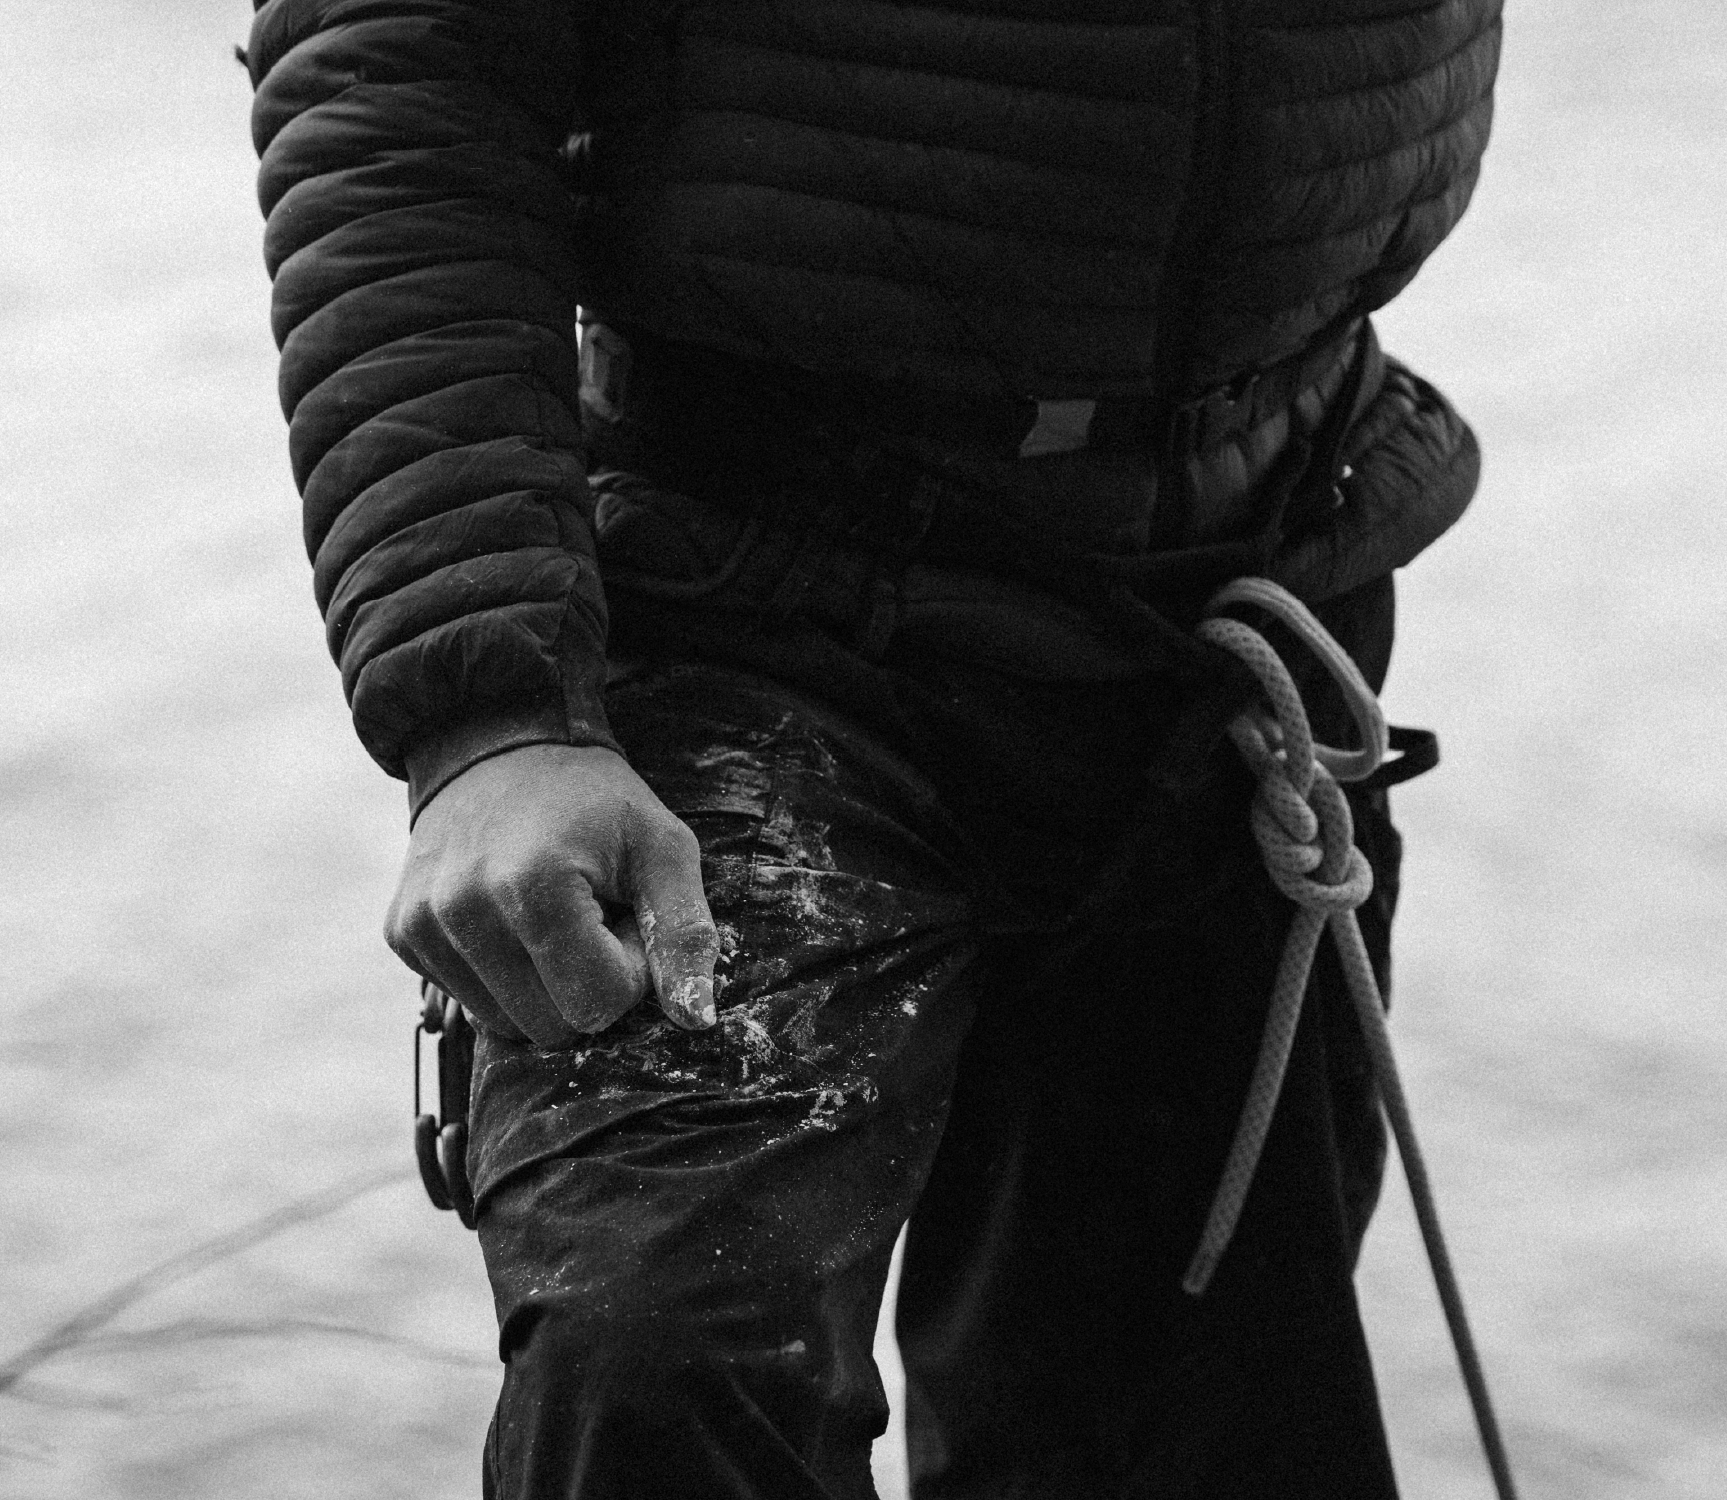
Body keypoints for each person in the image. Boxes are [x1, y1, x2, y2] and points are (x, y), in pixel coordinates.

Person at [244, 1, 1501, 1494]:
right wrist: (488, 720)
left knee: (1196, 1415)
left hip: (1249, 570)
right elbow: (400, 59)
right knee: (672, 1361)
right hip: (742, 579)